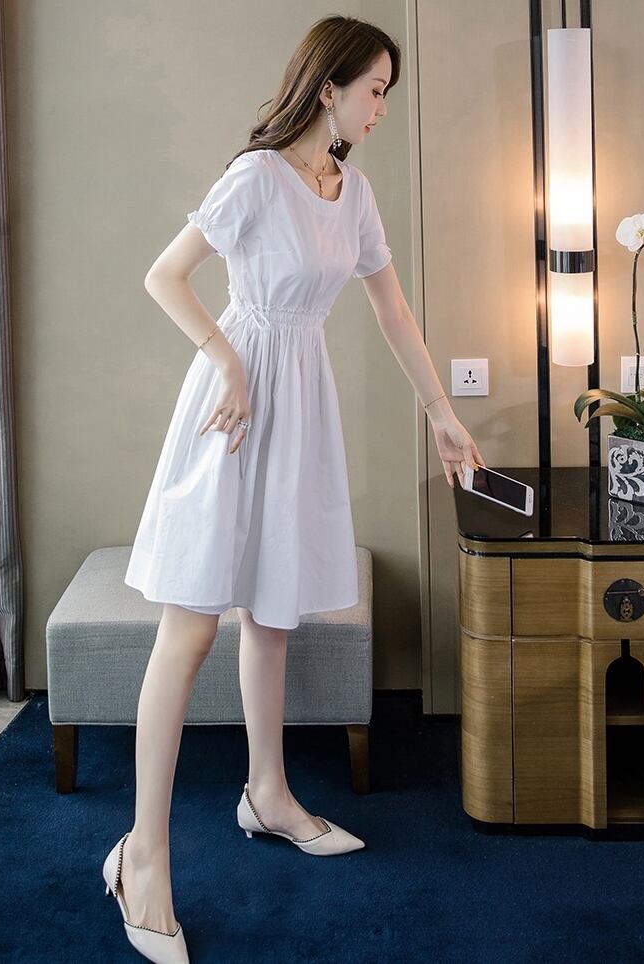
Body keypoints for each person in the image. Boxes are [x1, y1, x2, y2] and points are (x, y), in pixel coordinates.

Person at [103, 14, 487, 964]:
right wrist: (226, 359)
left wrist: (441, 412)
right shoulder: (255, 178)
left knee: (273, 617)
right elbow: (164, 277)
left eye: (388, 93)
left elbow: (392, 311)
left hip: (302, 406)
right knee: (191, 626)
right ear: (330, 88)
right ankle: (141, 855)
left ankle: (267, 794)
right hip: (233, 409)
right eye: (374, 90)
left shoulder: (353, 194)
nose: (382, 109)